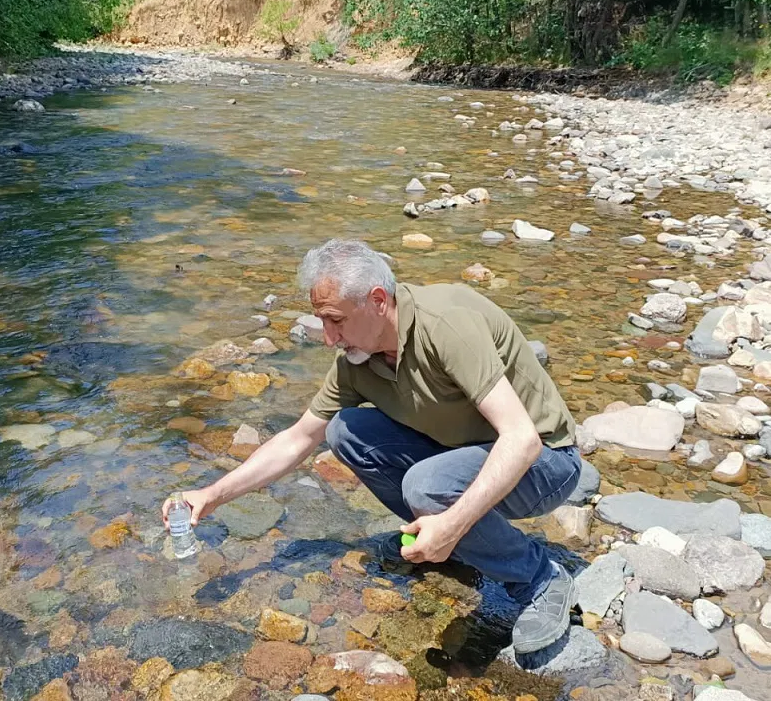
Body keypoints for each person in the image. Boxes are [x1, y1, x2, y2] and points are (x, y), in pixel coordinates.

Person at [163, 238, 583, 654]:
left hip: (546, 463)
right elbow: (297, 439)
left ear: (378, 300)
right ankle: (447, 544)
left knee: (426, 486)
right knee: (344, 431)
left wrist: (451, 523)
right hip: (468, 454)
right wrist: (212, 495)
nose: (329, 338)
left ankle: (539, 577)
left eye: (336, 321)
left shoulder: (446, 325)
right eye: (321, 321)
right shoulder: (357, 361)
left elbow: (521, 438)